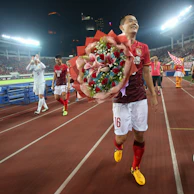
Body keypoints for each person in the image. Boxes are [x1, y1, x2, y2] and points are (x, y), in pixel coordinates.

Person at [113, 14, 158, 186]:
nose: (134, 23)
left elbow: (146, 73)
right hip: (120, 99)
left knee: (140, 134)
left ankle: (136, 168)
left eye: (136, 21)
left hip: (139, 97)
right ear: (121, 27)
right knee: (121, 138)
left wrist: (153, 94)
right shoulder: (114, 46)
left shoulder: (144, 48)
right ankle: (118, 146)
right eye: (130, 21)